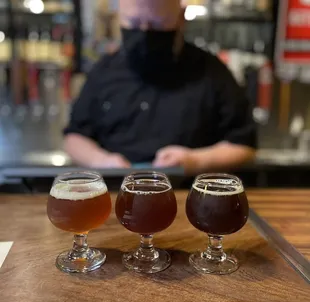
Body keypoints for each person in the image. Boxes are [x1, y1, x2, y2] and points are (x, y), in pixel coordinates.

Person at [64, 0, 256, 175]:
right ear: (120, 19)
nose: (145, 32)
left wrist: (195, 161)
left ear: (181, 18)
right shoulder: (103, 71)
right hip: (116, 196)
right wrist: (101, 161)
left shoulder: (213, 73)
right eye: (134, 23)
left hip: (189, 198)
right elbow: (75, 136)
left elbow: (244, 144)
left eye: (157, 24)